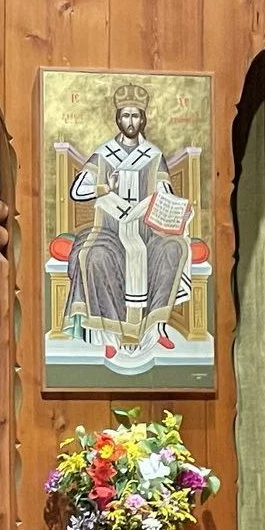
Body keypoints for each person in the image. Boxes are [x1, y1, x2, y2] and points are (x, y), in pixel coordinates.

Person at [60, 88, 200, 359]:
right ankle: (108, 333)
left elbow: (164, 191)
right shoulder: (104, 154)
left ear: (142, 119)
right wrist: (104, 187)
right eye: (126, 116)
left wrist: (177, 209)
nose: (131, 121)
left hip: (146, 229)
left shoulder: (153, 155)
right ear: (118, 119)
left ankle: (155, 328)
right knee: (94, 256)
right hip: (108, 227)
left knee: (174, 249)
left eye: (136, 116)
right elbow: (77, 190)